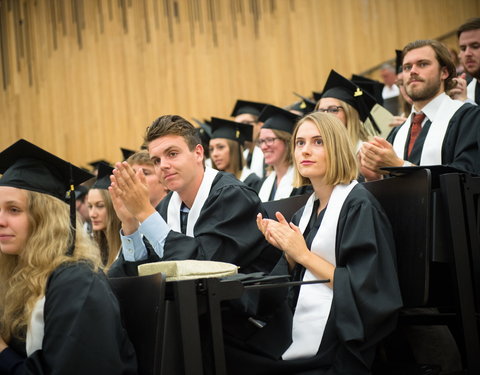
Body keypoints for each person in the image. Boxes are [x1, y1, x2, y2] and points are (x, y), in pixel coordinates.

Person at [225, 111, 402, 374]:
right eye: (300, 143)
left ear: (338, 148)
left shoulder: (359, 207)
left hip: (340, 339)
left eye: (318, 142)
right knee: (219, 343)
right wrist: (288, 253)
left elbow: (368, 292)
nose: (306, 151)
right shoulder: (308, 209)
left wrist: (303, 254)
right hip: (299, 327)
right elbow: (291, 284)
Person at [0, 139, 137, 375]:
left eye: (14, 210)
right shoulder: (19, 275)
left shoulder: (77, 283)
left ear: (45, 218)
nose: (1, 220)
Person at [108, 115, 278, 276]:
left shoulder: (233, 196)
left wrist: (144, 213)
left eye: (172, 154)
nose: (163, 165)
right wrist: (130, 224)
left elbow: (204, 266)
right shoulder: (166, 207)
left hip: (242, 304)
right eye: (156, 161)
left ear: (198, 153)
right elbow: (143, 273)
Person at [360, 39, 480, 180]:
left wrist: (400, 166)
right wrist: (375, 177)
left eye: (423, 64)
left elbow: (468, 176)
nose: (413, 72)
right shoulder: (398, 133)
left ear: (444, 72)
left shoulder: (469, 117)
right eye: (407, 67)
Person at [256, 105, 311, 202]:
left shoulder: (305, 183)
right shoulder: (264, 183)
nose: (264, 147)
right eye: (261, 141)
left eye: (270, 140)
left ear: (287, 142)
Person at [315, 70, 378, 153]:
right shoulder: (318, 151)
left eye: (333, 110)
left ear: (350, 114)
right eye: (321, 111)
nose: (326, 115)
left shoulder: (365, 152)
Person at [209, 117, 262, 192]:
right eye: (211, 149)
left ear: (234, 149)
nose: (214, 154)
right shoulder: (213, 184)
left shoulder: (252, 182)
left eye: (220, 147)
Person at [88, 162, 122, 269]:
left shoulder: (127, 249)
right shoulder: (91, 249)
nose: (93, 214)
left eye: (100, 206)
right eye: (90, 206)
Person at [231, 100, 268, 179]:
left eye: (245, 123)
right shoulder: (242, 158)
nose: (240, 129)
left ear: (260, 125)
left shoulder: (268, 157)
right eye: (237, 126)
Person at [450, 17, 480, 105]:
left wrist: (466, 104)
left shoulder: (464, 98)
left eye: (475, 46)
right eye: (463, 48)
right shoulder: (465, 89)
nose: (467, 53)